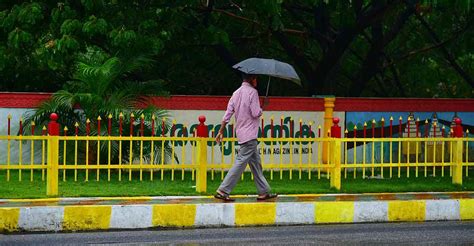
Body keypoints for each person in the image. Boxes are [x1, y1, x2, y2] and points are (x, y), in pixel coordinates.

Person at [214, 73, 278, 202]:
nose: (257, 81)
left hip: (242, 133)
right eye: (256, 78)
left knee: (256, 164)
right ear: (252, 79)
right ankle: (223, 190)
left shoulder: (236, 93)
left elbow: (227, 114)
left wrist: (221, 130)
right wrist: (262, 107)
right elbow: (255, 113)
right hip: (250, 134)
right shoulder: (252, 93)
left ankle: (263, 192)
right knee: (240, 162)